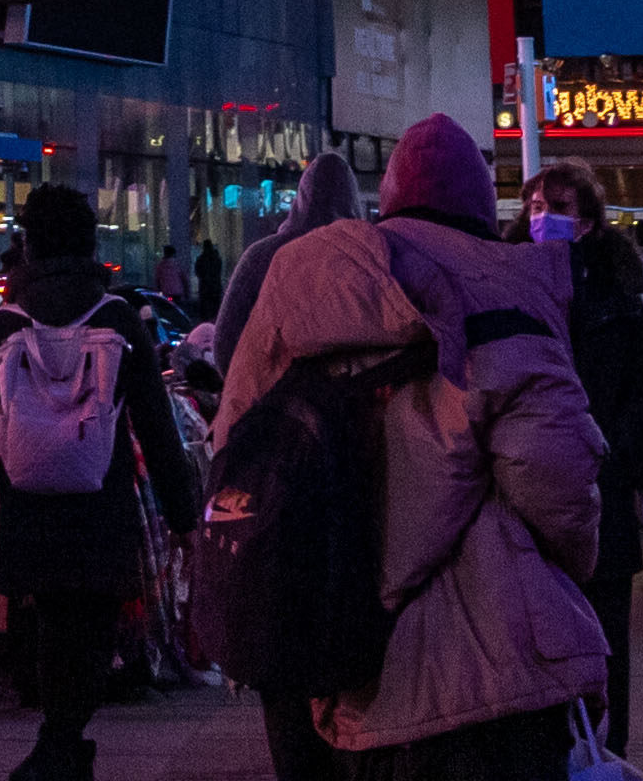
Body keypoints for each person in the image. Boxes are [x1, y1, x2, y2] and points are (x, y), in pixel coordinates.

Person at [214, 117, 599, 781]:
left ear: (386, 204)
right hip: (497, 673)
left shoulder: (296, 283)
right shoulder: (510, 286)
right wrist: (577, 558)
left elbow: (238, 442)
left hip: (348, 659)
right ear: (481, 210)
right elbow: (556, 477)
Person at [0, 182, 203, 781]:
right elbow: (158, 432)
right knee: (90, 627)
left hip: (30, 510)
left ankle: (59, 745)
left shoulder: (4, 327)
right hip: (100, 511)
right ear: (88, 242)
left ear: (30, 244)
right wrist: (186, 520)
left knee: (48, 622)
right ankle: (60, 744)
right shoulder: (116, 317)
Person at [554, 184, 643, 727]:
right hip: (535, 497)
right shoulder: (518, 295)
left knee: (606, 636)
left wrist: (625, 469)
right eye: (536, 208)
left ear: (585, 222)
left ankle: (609, 745)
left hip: (602, 492)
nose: (544, 220)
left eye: (557, 210)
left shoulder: (618, 307)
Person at [218, 151, 359, 346]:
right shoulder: (367, 255)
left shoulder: (263, 256)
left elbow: (227, 340)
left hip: (279, 371)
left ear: (301, 197)